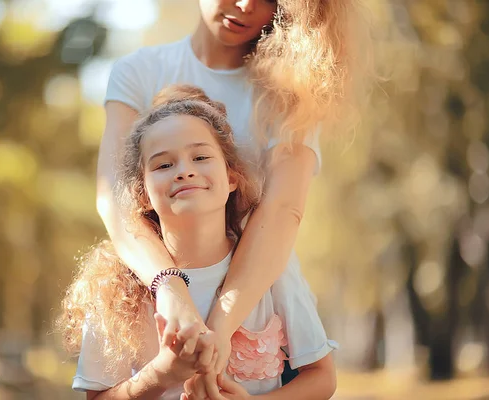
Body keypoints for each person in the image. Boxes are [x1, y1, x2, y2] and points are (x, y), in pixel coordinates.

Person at [96, 0, 371, 396]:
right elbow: (116, 198)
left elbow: (282, 210)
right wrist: (171, 291)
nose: (244, 4)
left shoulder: (291, 91)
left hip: (260, 300)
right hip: (152, 280)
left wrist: (220, 330)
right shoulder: (137, 72)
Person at [61, 85, 338, 399]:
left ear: (232, 178)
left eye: (201, 157)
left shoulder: (274, 267)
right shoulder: (117, 285)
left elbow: (322, 378)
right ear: (143, 195)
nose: (185, 171)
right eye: (164, 165)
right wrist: (161, 374)